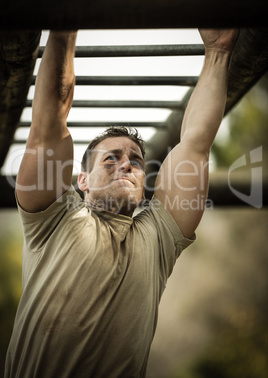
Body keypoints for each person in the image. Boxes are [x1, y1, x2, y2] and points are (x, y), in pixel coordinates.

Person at [5, 28, 239, 377]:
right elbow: (50, 117)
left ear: (145, 186)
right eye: (110, 159)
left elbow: (196, 143)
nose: (126, 163)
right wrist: (64, 26)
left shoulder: (157, 238)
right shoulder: (52, 219)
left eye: (135, 160)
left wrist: (218, 52)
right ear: (81, 181)